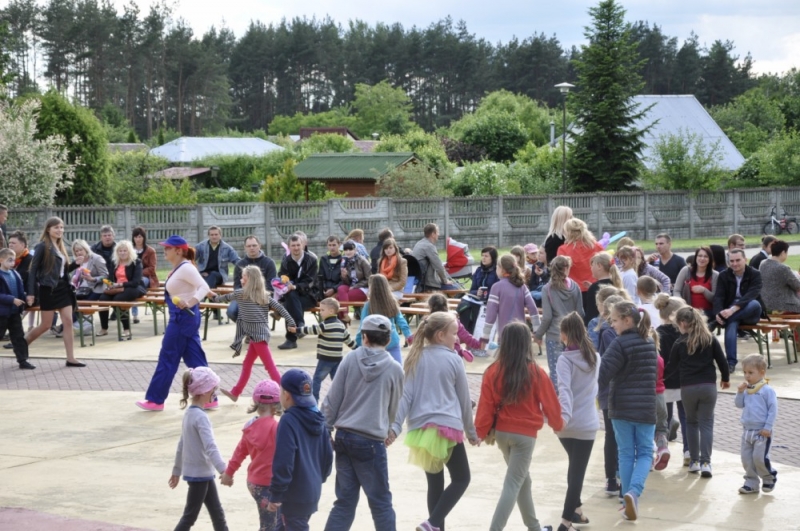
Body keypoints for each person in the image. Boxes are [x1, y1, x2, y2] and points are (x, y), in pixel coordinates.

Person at [389, 312, 479, 531]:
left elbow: (405, 397)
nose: (457, 339)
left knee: (435, 484)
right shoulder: (454, 359)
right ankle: (432, 523)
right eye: (454, 334)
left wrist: (395, 427)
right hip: (447, 428)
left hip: (421, 431)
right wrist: (471, 432)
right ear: (440, 335)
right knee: (462, 479)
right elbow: (464, 400)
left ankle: (433, 526)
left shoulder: (415, 357)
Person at [475, 321, 562, 531]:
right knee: (513, 483)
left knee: (523, 480)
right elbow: (551, 404)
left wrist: (479, 432)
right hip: (525, 436)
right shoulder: (536, 371)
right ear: (525, 343)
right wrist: (558, 424)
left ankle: (534, 527)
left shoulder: (493, 370)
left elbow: (485, 406)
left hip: (502, 433)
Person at [322, 314, 404, 531]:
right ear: (388, 339)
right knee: (381, 503)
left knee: (344, 502)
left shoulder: (350, 359)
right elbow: (394, 407)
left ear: (364, 337)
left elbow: (332, 399)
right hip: (371, 441)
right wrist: (390, 429)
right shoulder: (395, 368)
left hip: (344, 437)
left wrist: (326, 429)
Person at [597, 301, 658, 522]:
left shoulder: (619, 344)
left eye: (614, 320)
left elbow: (602, 374)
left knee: (625, 453)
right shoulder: (649, 342)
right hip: (646, 408)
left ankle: (627, 497)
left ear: (627, 320)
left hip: (621, 407)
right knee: (645, 453)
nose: (612, 325)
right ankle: (633, 493)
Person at [137, 236, 211, 411]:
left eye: (168, 248)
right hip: (184, 318)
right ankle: (210, 397)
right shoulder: (181, 267)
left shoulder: (186, 268)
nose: (165, 251)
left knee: (168, 357)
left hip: (182, 318)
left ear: (178, 251)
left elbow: (204, 287)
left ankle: (156, 400)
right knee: (195, 357)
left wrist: (190, 302)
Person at [213, 265, 295, 402]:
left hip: (259, 337)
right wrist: (291, 321)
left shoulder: (250, 294)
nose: (241, 279)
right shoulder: (252, 294)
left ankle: (286, 395)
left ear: (250, 279)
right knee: (247, 364)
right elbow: (226, 297)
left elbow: (222, 298)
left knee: (270, 367)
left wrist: (212, 296)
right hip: (255, 335)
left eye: (243, 276)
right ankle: (235, 392)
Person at [666, 307, 730, 478]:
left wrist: (659, 379)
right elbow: (722, 361)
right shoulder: (710, 338)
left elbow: (671, 367)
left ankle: (694, 461)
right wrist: (725, 379)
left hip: (688, 387)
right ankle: (706, 463)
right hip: (708, 386)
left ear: (682, 323)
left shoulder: (679, 343)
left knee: (691, 423)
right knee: (706, 423)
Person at [268, 369, 334, 531]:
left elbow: (284, 460)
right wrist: (317, 479)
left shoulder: (288, 420)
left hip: (293, 495)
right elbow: (328, 456)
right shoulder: (319, 418)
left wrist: (276, 493)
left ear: (286, 395)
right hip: (311, 491)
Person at [169, 367, 229, 531]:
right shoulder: (201, 417)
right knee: (189, 517)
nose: (214, 393)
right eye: (213, 389)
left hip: (202, 473)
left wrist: (176, 470)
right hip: (199, 475)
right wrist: (224, 470)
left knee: (217, 514)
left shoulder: (189, 414)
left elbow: (181, 444)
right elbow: (210, 446)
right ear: (204, 391)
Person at [220, 379, 283, 531]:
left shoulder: (250, 427)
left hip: (254, 483)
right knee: (269, 525)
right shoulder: (277, 428)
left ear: (256, 402)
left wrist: (228, 473)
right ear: (276, 405)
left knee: (270, 522)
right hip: (269, 484)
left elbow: (239, 452)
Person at [556, 312, 599, 531]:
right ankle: (566, 522)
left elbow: (564, 390)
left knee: (575, 469)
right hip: (587, 424)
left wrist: (563, 417)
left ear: (565, 334)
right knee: (577, 472)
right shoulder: (595, 358)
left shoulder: (564, 359)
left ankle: (576, 511)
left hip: (566, 424)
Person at [25, 217, 84, 367]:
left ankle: (70, 358)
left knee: (68, 321)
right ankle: (22, 345)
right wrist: (31, 293)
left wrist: (75, 264)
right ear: (48, 229)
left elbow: (62, 271)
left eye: (62, 227)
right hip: (48, 290)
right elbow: (33, 271)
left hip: (64, 288)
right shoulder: (42, 246)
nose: (60, 230)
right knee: (45, 325)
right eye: (56, 227)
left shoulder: (60, 246)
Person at [533, 256, 584, 389]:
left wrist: (538, 335)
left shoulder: (548, 289)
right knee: (572, 372)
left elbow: (547, 317)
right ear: (567, 268)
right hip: (573, 336)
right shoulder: (575, 286)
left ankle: (557, 400)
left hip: (554, 335)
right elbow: (580, 313)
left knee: (556, 373)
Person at [294, 297, 356, 402]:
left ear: (331, 311)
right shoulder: (341, 325)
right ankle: (343, 399)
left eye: (322, 310)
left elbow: (312, 330)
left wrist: (297, 329)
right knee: (337, 380)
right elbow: (348, 341)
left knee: (317, 379)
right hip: (337, 359)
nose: (320, 312)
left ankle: (314, 400)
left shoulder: (325, 325)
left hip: (326, 358)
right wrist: (358, 348)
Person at [713, 248, 764, 373]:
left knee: (754, 303)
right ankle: (730, 363)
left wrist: (732, 310)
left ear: (745, 260)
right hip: (731, 314)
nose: (734, 264)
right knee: (731, 323)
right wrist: (718, 313)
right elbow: (719, 296)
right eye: (731, 261)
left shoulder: (755, 274)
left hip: (750, 312)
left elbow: (751, 295)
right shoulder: (724, 275)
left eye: (738, 260)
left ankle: (717, 323)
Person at [653, 294, 690, 466]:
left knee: (663, 420)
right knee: (686, 418)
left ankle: (662, 449)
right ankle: (689, 451)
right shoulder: (686, 334)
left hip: (664, 383)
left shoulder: (657, 333)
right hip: (684, 381)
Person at [735, 354, 778, 495]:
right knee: (746, 459)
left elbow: (773, 410)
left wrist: (767, 427)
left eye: (750, 372)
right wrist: (740, 392)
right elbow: (739, 404)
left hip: (761, 431)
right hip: (747, 431)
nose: (747, 376)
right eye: (745, 372)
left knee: (759, 458)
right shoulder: (747, 389)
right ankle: (751, 483)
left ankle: (769, 477)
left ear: (762, 373)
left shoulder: (767, 390)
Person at [595, 294, 625, 497]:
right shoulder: (609, 332)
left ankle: (615, 478)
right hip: (611, 389)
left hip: (610, 389)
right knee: (614, 435)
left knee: (615, 435)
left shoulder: (606, 330)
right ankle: (613, 478)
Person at [481, 254, 540, 350]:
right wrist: (537, 330)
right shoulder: (522, 286)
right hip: (522, 334)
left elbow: (491, 314)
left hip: (505, 335)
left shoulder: (496, 287)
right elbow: (533, 308)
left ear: (502, 269)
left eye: (497, 267)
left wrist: (485, 336)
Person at [355, 274, 411, 364]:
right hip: (391, 340)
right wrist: (408, 335)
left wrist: (357, 343)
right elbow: (401, 320)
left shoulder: (368, 306)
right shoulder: (392, 302)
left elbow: (362, 326)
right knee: (397, 368)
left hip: (374, 342)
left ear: (371, 288)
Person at [97, 240, 146, 338]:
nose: (122, 253)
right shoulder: (114, 262)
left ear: (129, 251)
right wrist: (110, 284)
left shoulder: (136, 262)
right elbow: (111, 278)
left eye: (125, 250)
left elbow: (136, 282)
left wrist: (120, 284)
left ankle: (126, 329)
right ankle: (104, 328)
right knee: (102, 299)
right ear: (117, 252)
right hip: (117, 288)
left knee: (118, 300)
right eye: (120, 251)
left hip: (133, 288)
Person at [277, 234, 318, 350]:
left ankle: (291, 340)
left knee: (289, 303)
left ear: (303, 245)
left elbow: (310, 282)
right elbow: (282, 276)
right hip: (291, 295)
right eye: (293, 245)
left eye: (298, 245)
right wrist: (286, 283)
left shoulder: (311, 260)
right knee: (290, 298)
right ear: (289, 247)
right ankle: (300, 325)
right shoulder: (286, 261)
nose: (296, 248)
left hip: (309, 296)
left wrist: (295, 286)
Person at [411, 293, 479, 362]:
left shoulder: (428, 321)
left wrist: (410, 338)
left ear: (430, 307)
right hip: (454, 354)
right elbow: (466, 336)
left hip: (434, 355)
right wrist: (478, 344)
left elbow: (418, 334)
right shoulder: (453, 321)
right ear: (446, 306)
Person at [556, 218, 604, 309]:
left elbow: (560, 273)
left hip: (572, 290)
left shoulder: (563, 249)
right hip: (596, 288)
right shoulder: (597, 246)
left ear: (568, 232)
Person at [229, 235, 277, 322]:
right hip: (243, 296)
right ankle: (248, 328)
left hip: (262, 296)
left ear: (259, 246)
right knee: (231, 312)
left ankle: (255, 329)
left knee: (253, 311)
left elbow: (271, 285)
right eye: (249, 246)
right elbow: (237, 285)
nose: (252, 248)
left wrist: (255, 295)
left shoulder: (269, 263)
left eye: (254, 245)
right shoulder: (240, 264)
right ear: (245, 248)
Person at [0, 248, 34, 369]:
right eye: (9, 260)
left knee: (19, 337)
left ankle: (23, 360)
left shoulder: (15, 274)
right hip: (2, 313)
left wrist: (26, 298)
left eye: (13, 260)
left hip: (14, 312)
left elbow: (20, 291)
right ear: (1, 260)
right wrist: (12, 299)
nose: (12, 263)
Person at [459, 246, 498, 334]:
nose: (483, 258)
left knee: (477, 310)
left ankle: (472, 334)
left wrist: (486, 294)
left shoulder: (497, 271)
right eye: (482, 255)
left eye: (486, 256)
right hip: (477, 300)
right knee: (464, 307)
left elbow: (498, 290)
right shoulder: (479, 270)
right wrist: (477, 292)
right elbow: (472, 290)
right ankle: (465, 334)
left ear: (493, 258)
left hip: (491, 301)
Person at [674, 246, 718, 323]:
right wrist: (682, 303)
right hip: (688, 310)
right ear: (696, 257)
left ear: (710, 259)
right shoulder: (686, 271)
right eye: (700, 256)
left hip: (707, 312)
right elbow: (676, 290)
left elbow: (715, 298)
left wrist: (704, 290)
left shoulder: (715, 275)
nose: (702, 258)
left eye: (705, 256)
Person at [758, 239, 800, 314]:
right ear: (783, 252)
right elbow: (797, 286)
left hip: (766, 304)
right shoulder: (783, 268)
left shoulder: (763, 263)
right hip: (784, 306)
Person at [412, 223, 457, 291]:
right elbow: (438, 266)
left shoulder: (418, 244)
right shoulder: (429, 246)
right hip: (428, 284)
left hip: (419, 283)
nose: (439, 234)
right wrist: (445, 281)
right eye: (437, 232)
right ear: (433, 234)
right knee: (455, 288)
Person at [195, 225, 240, 290]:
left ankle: (205, 294)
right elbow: (190, 259)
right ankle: (211, 295)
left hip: (220, 275)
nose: (214, 237)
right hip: (203, 274)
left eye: (216, 234)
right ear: (208, 236)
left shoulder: (227, 248)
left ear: (220, 235)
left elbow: (237, 261)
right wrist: (198, 271)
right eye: (212, 235)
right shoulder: (200, 246)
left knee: (212, 275)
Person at [338, 240, 371, 324]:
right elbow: (347, 282)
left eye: (350, 249)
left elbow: (369, 279)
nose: (348, 252)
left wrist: (355, 286)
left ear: (355, 250)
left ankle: (343, 319)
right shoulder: (344, 261)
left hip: (363, 288)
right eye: (346, 250)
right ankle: (345, 316)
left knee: (338, 298)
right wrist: (344, 276)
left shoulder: (362, 261)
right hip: (351, 286)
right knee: (341, 288)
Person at [584, 252, 622, 325]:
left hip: (599, 325)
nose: (591, 268)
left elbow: (591, 313)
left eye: (592, 265)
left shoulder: (594, 288)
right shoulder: (616, 283)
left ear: (599, 266)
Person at [8, 231, 34, 333]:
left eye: (13, 243)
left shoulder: (30, 260)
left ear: (23, 245)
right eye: (9, 243)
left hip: (27, 294)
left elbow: (29, 281)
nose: (10, 245)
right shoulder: (8, 259)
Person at [131, 226, 158, 324]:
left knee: (136, 285)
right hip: (131, 277)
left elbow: (152, 268)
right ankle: (130, 313)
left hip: (146, 277)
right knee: (131, 286)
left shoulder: (150, 251)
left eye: (140, 237)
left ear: (144, 237)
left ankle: (135, 314)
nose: (138, 239)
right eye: (136, 237)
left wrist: (138, 273)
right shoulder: (129, 250)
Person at [317, 236, 344, 303]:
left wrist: (334, 289)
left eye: (334, 245)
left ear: (339, 244)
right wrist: (323, 288)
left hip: (337, 289)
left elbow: (344, 280)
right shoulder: (323, 259)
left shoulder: (344, 260)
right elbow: (320, 277)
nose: (332, 248)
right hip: (325, 290)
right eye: (330, 245)